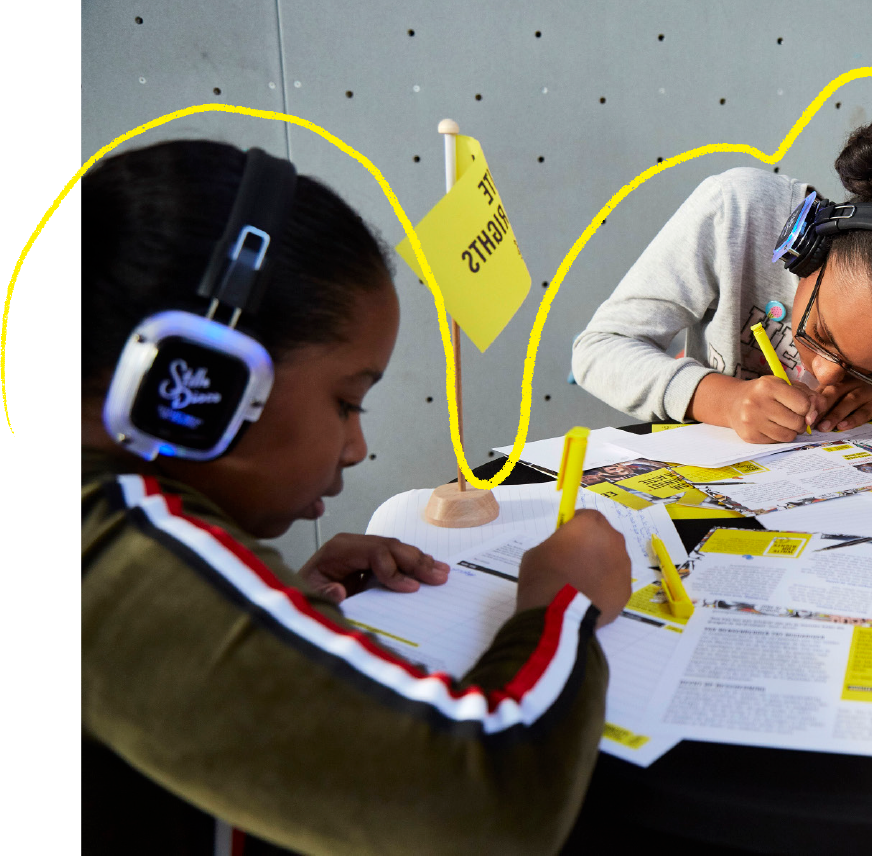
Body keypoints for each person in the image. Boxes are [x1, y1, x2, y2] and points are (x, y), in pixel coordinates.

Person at [79, 140, 633, 854]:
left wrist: (271, 605)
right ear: (204, 380)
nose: (356, 447)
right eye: (346, 401)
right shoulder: (119, 554)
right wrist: (561, 603)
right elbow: (487, 805)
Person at [573, 119, 872, 442]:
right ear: (808, 250)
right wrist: (722, 400)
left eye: (867, 369)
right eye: (821, 335)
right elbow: (598, 350)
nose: (823, 376)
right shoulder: (739, 211)